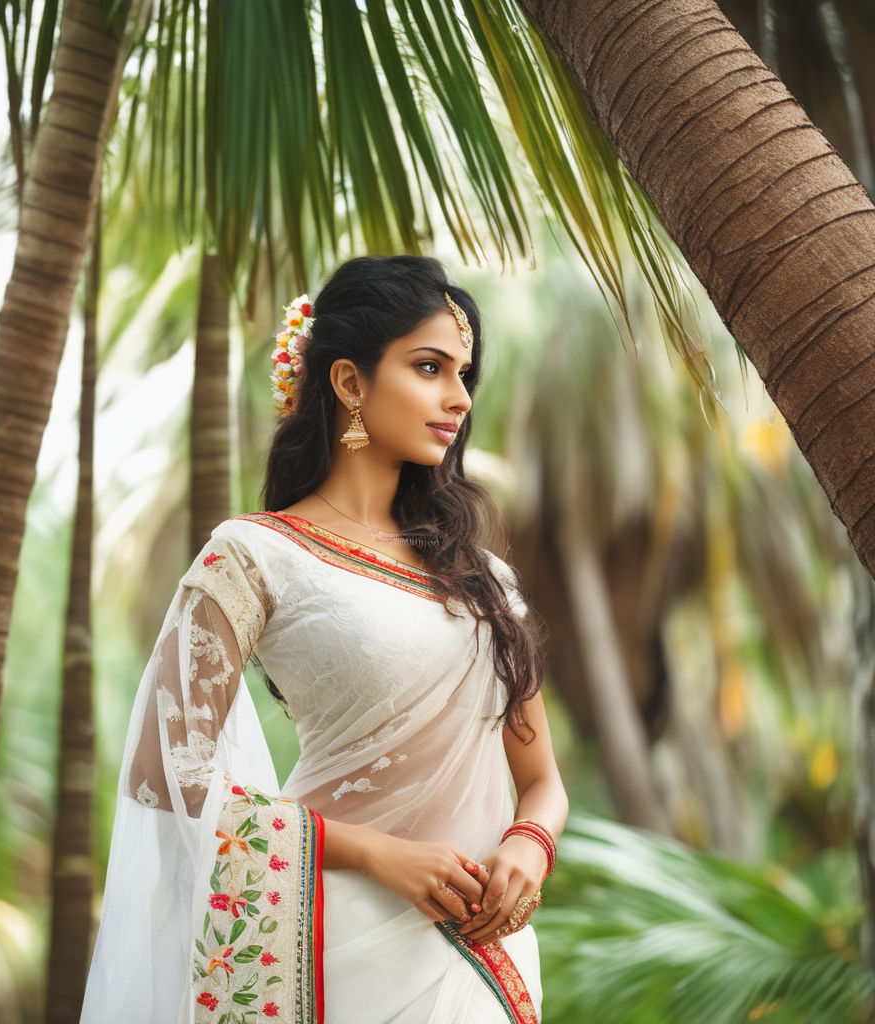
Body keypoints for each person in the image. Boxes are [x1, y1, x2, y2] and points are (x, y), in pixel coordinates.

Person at [79, 255, 568, 1024]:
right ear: (348, 382)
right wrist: (376, 853)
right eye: (430, 367)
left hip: (482, 954)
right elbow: (162, 772)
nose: (458, 398)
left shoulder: (485, 583)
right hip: (324, 942)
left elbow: (541, 779)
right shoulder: (254, 556)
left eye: (464, 374)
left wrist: (528, 848)